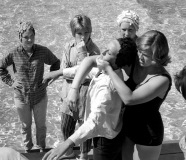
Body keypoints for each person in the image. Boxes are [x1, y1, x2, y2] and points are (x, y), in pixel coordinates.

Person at [42, 37, 138, 160]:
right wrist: (58, 73)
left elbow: (94, 122)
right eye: (105, 49)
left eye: (108, 52)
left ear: (117, 61)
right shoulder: (108, 71)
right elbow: (86, 70)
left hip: (105, 142)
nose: (102, 53)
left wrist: (66, 144)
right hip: (110, 134)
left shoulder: (106, 90)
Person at [97, 30, 172, 160]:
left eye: (146, 55)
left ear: (158, 55)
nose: (140, 57)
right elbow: (95, 59)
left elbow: (129, 98)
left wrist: (109, 69)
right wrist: (61, 74)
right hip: (127, 127)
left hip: (148, 134)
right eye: (139, 51)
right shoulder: (137, 62)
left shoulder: (162, 79)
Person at [0, 21, 60, 152]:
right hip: (21, 98)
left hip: (40, 97)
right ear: (20, 37)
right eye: (26, 37)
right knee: (25, 126)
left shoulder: (42, 51)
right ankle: (28, 150)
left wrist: (49, 78)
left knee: (41, 126)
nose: (29, 39)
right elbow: (1, 68)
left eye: (32, 36)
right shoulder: (14, 53)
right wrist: (11, 82)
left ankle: (41, 150)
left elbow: (56, 62)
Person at [52, 14, 100, 160]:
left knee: (84, 129)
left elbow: (93, 75)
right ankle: (69, 152)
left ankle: (84, 155)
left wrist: (83, 55)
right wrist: (80, 72)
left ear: (91, 31)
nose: (83, 36)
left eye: (86, 32)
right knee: (66, 126)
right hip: (68, 94)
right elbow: (64, 73)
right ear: (74, 33)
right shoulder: (68, 47)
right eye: (79, 33)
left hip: (86, 96)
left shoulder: (95, 51)